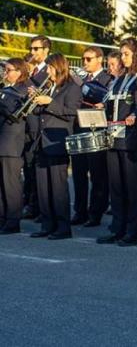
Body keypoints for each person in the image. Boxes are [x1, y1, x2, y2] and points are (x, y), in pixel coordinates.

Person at [96, 38, 137, 247]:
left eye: (127, 54)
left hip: (131, 139)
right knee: (116, 185)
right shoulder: (120, 79)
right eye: (121, 54)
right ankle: (117, 227)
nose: (123, 58)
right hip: (113, 137)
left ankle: (133, 229)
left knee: (132, 186)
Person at [30, 53, 82, 240]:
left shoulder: (72, 88)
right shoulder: (49, 87)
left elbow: (72, 113)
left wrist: (50, 103)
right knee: (43, 187)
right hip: (42, 141)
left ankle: (62, 227)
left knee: (58, 188)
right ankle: (47, 224)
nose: (48, 72)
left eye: (50, 68)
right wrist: (36, 100)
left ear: (58, 67)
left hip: (58, 141)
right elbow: (38, 112)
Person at [70, 47, 113, 227]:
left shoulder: (107, 78)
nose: (85, 62)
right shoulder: (80, 80)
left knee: (97, 175)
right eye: (83, 59)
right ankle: (80, 211)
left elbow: (105, 99)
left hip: (96, 129)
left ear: (99, 59)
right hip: (79, 128)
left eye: (88, 59)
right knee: (78, 174)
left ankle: (95, 212)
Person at [23, 35, 51, 220]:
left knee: (36, 168)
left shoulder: (48, 72)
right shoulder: (31, 73)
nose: (32, 53)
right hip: (25, 125)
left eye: (36, 49)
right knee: (28, 167)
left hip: (39, 125)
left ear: (46, 50)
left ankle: (39, 206)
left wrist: (26, 78)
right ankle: (30, 203)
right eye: (31, 49)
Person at [0, 58, 30, 234]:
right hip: (2, 140)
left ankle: (13, 221)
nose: (6, 73)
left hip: (12, 142)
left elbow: (15, 113)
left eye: (9, 70)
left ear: (19, 72)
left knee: (11, 184)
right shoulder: (5, 89)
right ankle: (2, 217)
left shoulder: (23, 90)